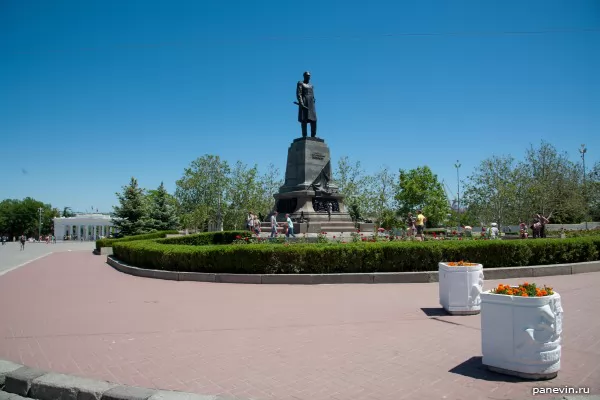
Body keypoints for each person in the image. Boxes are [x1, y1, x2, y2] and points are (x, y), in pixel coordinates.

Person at [297, 71, 317, 137]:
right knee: (304, 119)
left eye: (309, 75)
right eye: (307, 75)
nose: (308, 77)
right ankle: (304, 135)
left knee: (314, 119)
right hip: (304, 101)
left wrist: (313, 99)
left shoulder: (311, 86)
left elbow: (313, 95)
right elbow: (299, 94)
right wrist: (301, 103)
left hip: (311, 104)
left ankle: (313, 135)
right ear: (304, 76)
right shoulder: (300, 83)